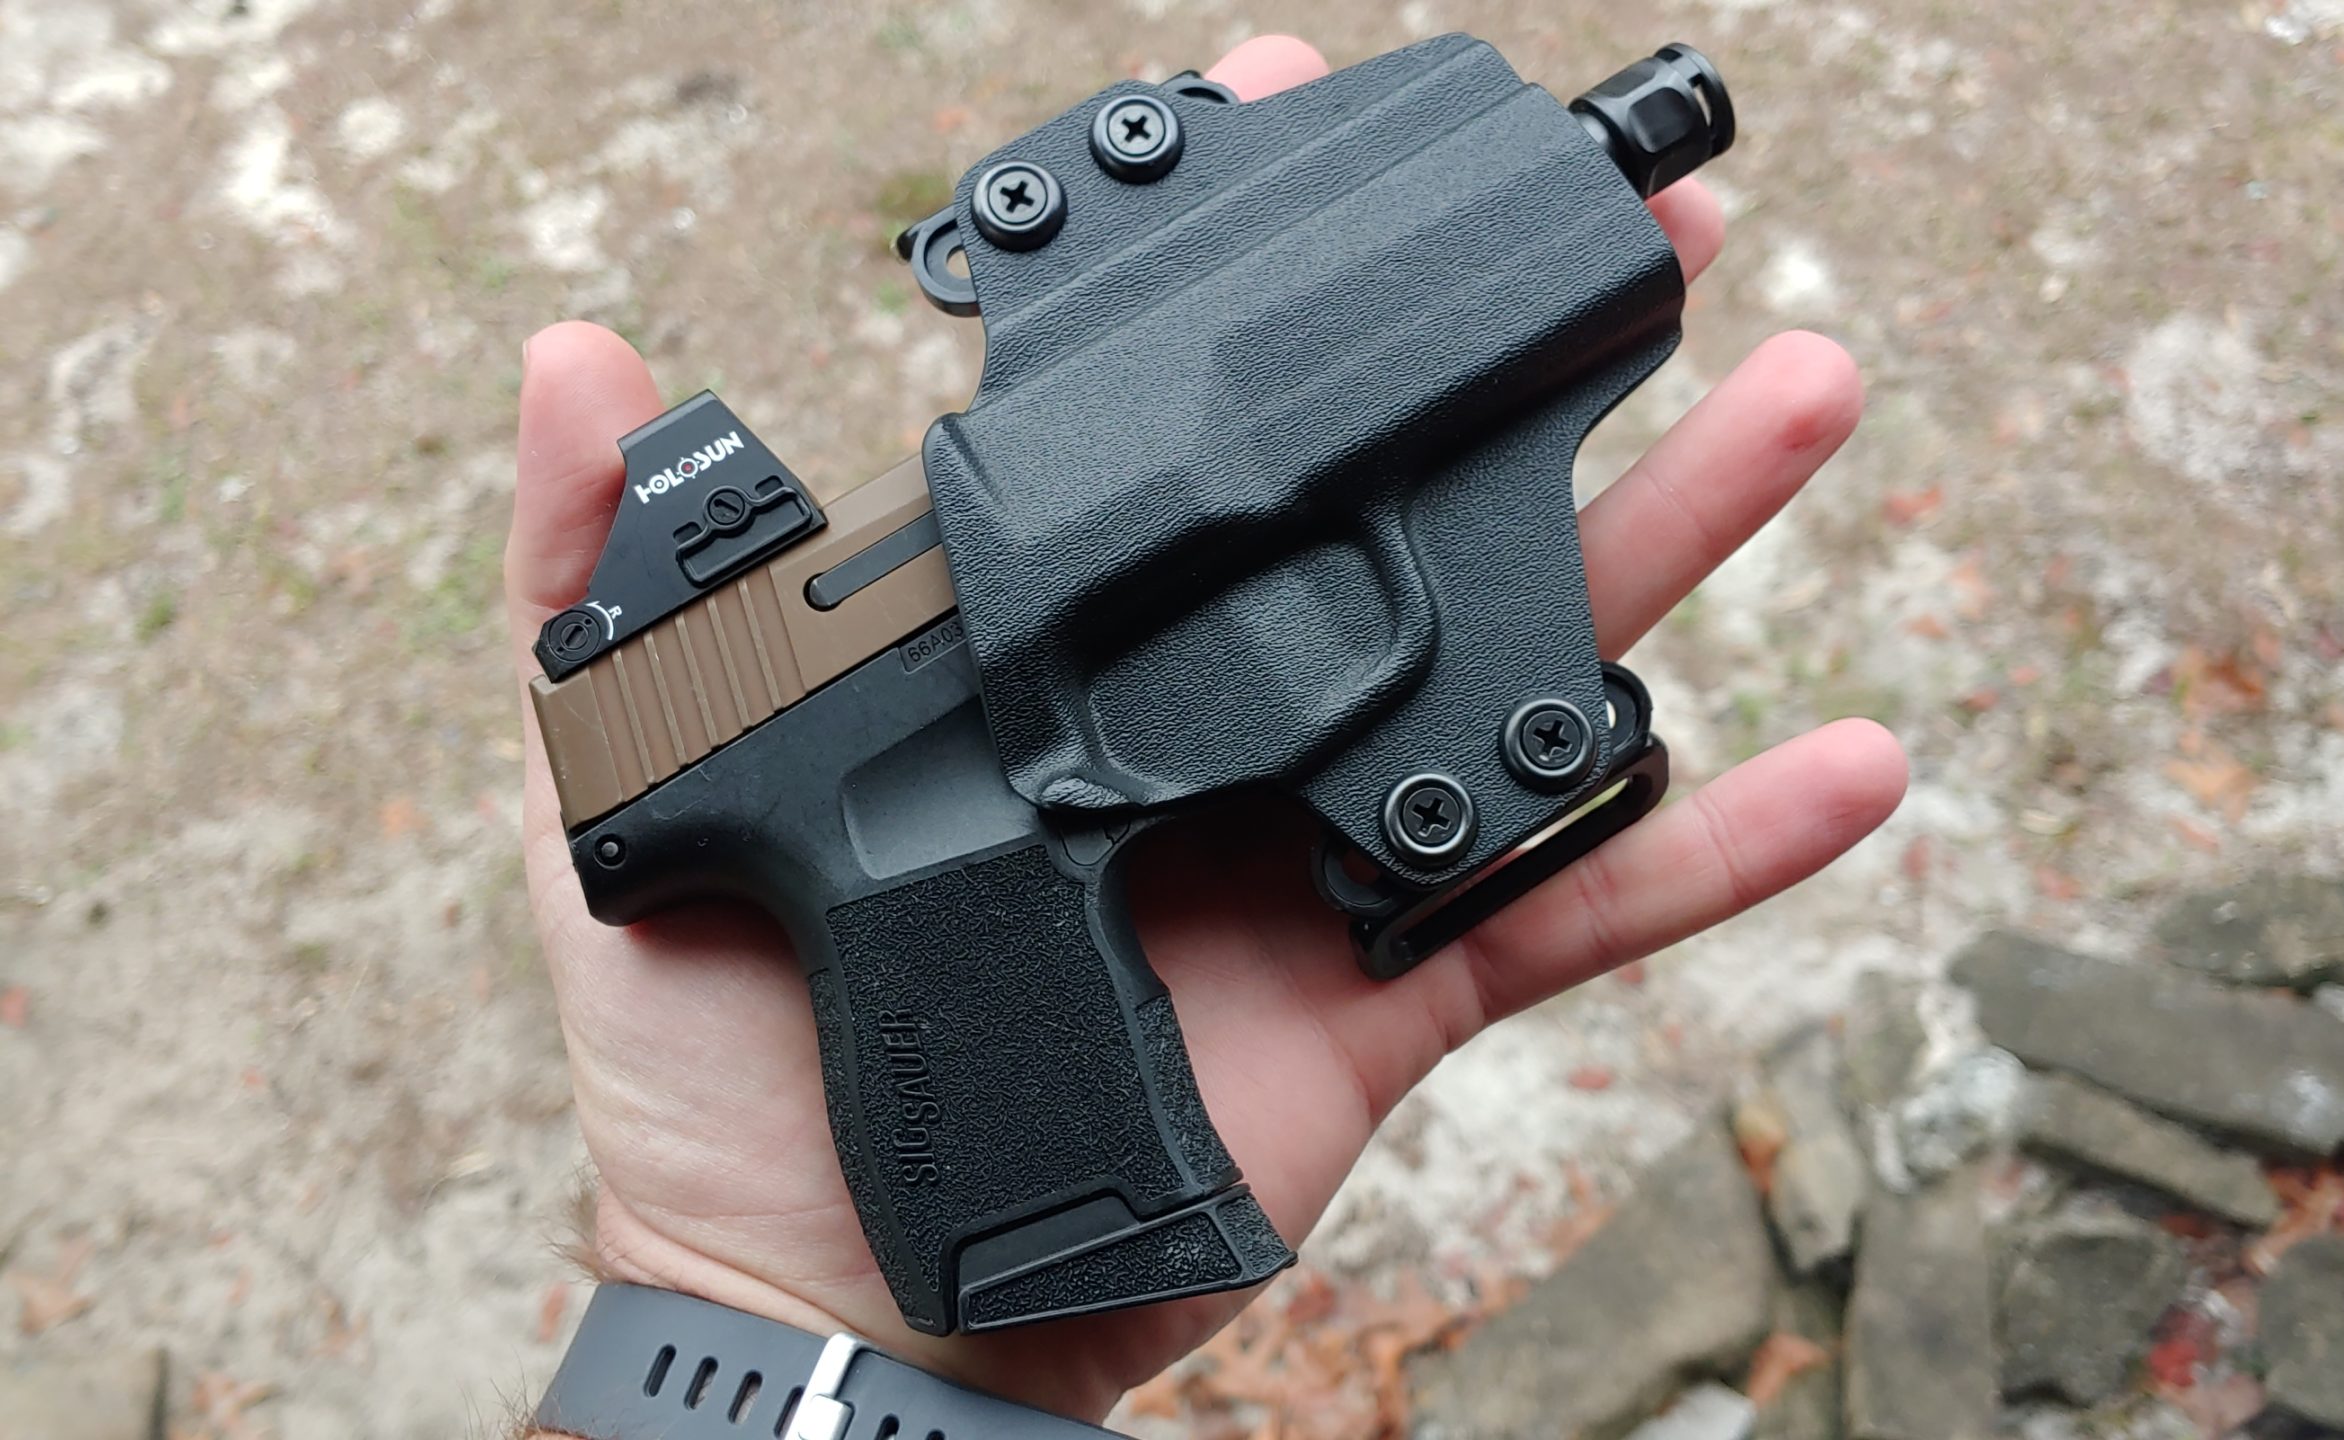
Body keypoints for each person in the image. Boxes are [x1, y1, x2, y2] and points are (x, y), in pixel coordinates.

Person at [502, 33, 1906, 1437]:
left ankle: (1041, 1253)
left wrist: (758, 1349)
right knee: (996, 1056)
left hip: (888, 668)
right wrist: (764, 1301)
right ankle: (1051, 1240)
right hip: (845, 706)